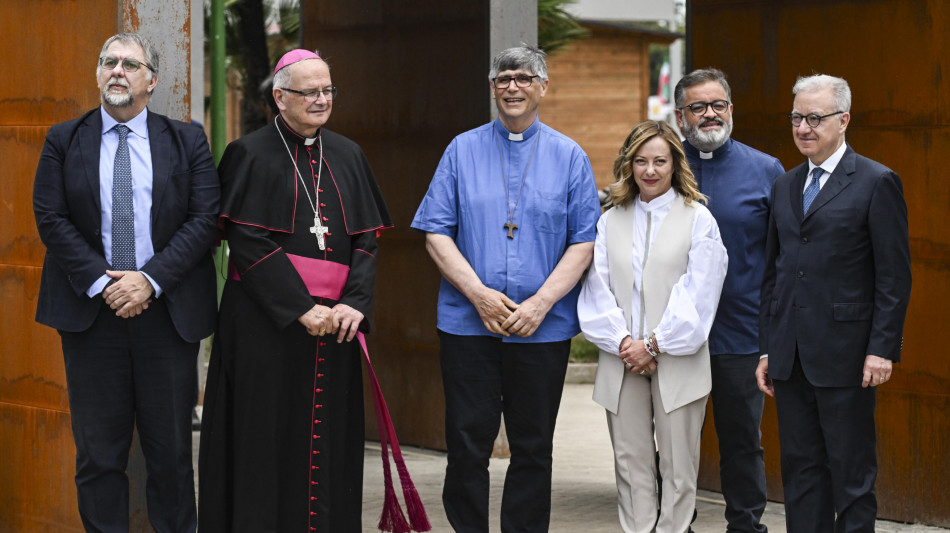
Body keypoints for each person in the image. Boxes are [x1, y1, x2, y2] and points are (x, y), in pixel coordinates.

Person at [197, 49, 396, 533]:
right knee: (265, 437)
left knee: (329, 439)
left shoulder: (348, 154)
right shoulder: (249, 153)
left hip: (338, 326)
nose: (322, 100)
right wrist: (300, 308)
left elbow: (366, 239)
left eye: (328, 90)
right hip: (267, 326)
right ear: (280, 97)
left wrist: (354, 304)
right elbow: (247, 240)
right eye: (310, 92)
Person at [32, 32, 219, 532]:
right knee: (98, 458)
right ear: (97, 75)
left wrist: (149, 281)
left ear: (151, 80)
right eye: (108, 62)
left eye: (130, 64)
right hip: (92, 319)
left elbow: (205, 220)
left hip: (167, 317)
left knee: (173, 457)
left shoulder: (187, 139)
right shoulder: (62, 139)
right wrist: (106, 282)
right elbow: (49, 217)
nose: (117, 70)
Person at [411, 45, 601, 533]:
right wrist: (477, 293)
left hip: (542, 328)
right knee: (467, 442)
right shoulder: (461, 149)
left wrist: (540, 303)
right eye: (502, 78)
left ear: (542, 86)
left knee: (533, 445)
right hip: (467, 325)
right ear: (492, 87)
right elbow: (436, 231)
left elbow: (584, 240)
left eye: (522, 77)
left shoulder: (570, 156)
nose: (511, 87)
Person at [756, 74, 911, 532]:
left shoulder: (877, 181)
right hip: (790, 357)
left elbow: (893, 276)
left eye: (815, 118)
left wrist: (882, 348)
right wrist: (768, 346)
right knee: (801, 471)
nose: (804, 127)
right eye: (797, 118)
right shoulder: (785, 184)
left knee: (852, 474)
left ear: (843, 120)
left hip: (848, 355)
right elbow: (775, 273)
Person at [578, 120, 728, 533]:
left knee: (679, 469)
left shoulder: (699, 220)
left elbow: (700, 293)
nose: (649, 170)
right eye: (640, 161)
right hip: (621, 359)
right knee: (630, 466)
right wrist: (626, 342)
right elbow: (596, 288)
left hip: (678, 360)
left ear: (675, 164)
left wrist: (655, 344)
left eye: (659, 161)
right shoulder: (610, 221)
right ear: (628, 165)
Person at [674, 68, 784, 533]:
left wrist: (770, 338)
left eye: (718, 105)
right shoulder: (659, 165)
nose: (709, 114)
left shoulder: (766, 170)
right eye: (698, 107)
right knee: (676, 442)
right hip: (674, 335)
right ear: (680, 117)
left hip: (741, 334)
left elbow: (782, 261)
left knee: (742, 441)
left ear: (731, 110)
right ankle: (676, 524)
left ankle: (745, 526)